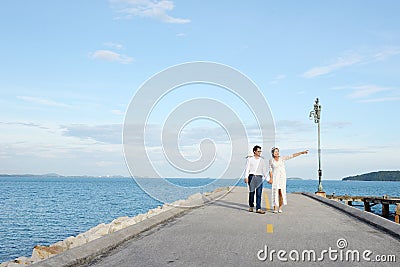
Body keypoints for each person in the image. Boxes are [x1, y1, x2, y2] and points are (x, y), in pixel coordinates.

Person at [269, 147, 308, 213]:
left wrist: (301, 153)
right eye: (275, 152)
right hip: (275, 177)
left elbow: (292, 156)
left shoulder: (282, 158)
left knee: (281, 192)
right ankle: (275, 208)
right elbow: (270, 171)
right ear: (273, 153)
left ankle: (280, 207)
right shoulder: (271, 160)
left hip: (282, 178)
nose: (277, 153)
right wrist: (271, 178)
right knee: (275, 192)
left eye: (277, 151)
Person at [244, 145, 270, 214]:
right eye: (258, 151)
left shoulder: (262, 160)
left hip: (259, 177)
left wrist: (268, 179)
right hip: (251, 177)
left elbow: (264, 171)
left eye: (260, 151)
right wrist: (246, 177)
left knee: (259, 193)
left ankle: (258, 208)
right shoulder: (250, 159)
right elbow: (247, 169)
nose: (259, 152)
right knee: (252, 193)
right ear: (254, 151)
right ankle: (251, 206)